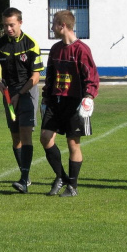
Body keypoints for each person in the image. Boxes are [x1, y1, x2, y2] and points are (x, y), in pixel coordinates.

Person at [40, 10, 100, 197]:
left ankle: (72, 186)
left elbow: (91, 77)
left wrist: (89, 97)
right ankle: (61, 177)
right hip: (55, 102)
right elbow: (49, 75)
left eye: (54, 25)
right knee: (45, 137)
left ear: (62, 26)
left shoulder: (81, 49)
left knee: (73, 144)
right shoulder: (56, 49)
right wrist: (46, 97)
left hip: (75, 104)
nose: (52, 28)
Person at [0, 7, 44, 193]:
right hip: (9, 95)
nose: (8, 29)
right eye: (5, 25)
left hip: (27, 93)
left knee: (26, 132)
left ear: (20, 22)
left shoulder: (30, 44)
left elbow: (36, 76)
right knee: (15, 136)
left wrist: (20, 94)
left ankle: (23, 178)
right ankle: (25, 176)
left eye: (11, 25)